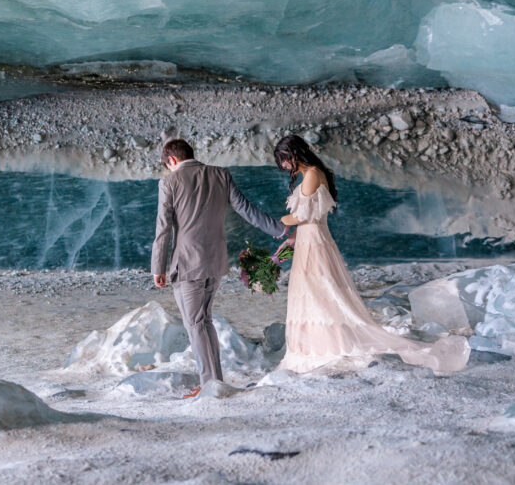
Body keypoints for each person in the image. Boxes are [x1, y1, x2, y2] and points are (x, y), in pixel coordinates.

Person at [273, 135, 469, 374]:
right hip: (309, 239)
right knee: (315, 292)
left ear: (294, 154)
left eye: (284, 160)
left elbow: (303, 215)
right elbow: (311, 214)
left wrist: (280, 221)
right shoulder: (311, 174)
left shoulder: (312, 173)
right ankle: (319, 342)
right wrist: (292, 238)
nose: (283, 166)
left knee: (320, 292)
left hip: (314, 241)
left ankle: (326, 345)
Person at [151, 138, 286, 397]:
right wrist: (278, 229)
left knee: (196, 325)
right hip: (216, 261)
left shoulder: (169, 181)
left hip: (188, 263)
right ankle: (214, 383)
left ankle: (209, 386)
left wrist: (158, 267)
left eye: (167, 165)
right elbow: (246, 209)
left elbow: (163, 228)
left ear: (171, 160)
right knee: (204, 321)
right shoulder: (220, 174)